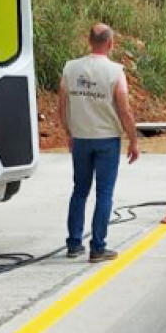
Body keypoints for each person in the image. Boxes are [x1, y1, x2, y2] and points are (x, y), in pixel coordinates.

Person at [58, 23, 140, 263]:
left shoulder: (70, 69)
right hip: (107, 140)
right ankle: (98, 247)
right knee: (104, 193)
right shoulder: (115, 72)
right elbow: (124, 110)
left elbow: (61, 106)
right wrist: (134, 140)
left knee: (80, 191)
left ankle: (74, 244)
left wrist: (69, 132)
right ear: (110, 43)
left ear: (88, 40)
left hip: (81, 138)